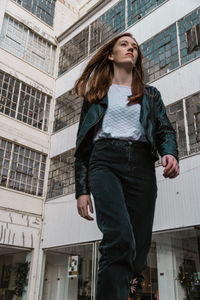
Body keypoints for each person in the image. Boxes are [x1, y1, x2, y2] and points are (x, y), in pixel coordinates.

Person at [74, 32, 179, 300]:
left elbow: (164, 130)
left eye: (135, 47)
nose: (131, 49)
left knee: (138, 248)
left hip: (142, 164)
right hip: (105, 162)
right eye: (124, 45)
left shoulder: (150, 95)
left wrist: (170, 153)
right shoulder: (96, 96)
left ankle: (126, 289)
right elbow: (83, 148)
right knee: (119, 238)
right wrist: (81, 190)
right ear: (111, 54)